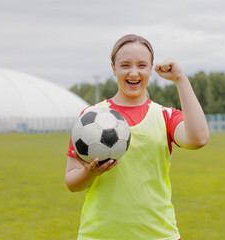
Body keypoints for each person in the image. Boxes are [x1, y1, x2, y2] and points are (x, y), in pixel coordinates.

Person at [65, 34, 209, 240]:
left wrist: (180, 79)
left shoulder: (164, 115)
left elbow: (199, 139)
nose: (134, 72)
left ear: (151, 68)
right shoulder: (90, 117)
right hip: (100, 235)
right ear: (113, 68)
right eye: (125, 65)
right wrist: (90, 173)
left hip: (159, 235)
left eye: (142, 65)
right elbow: (71, 182)